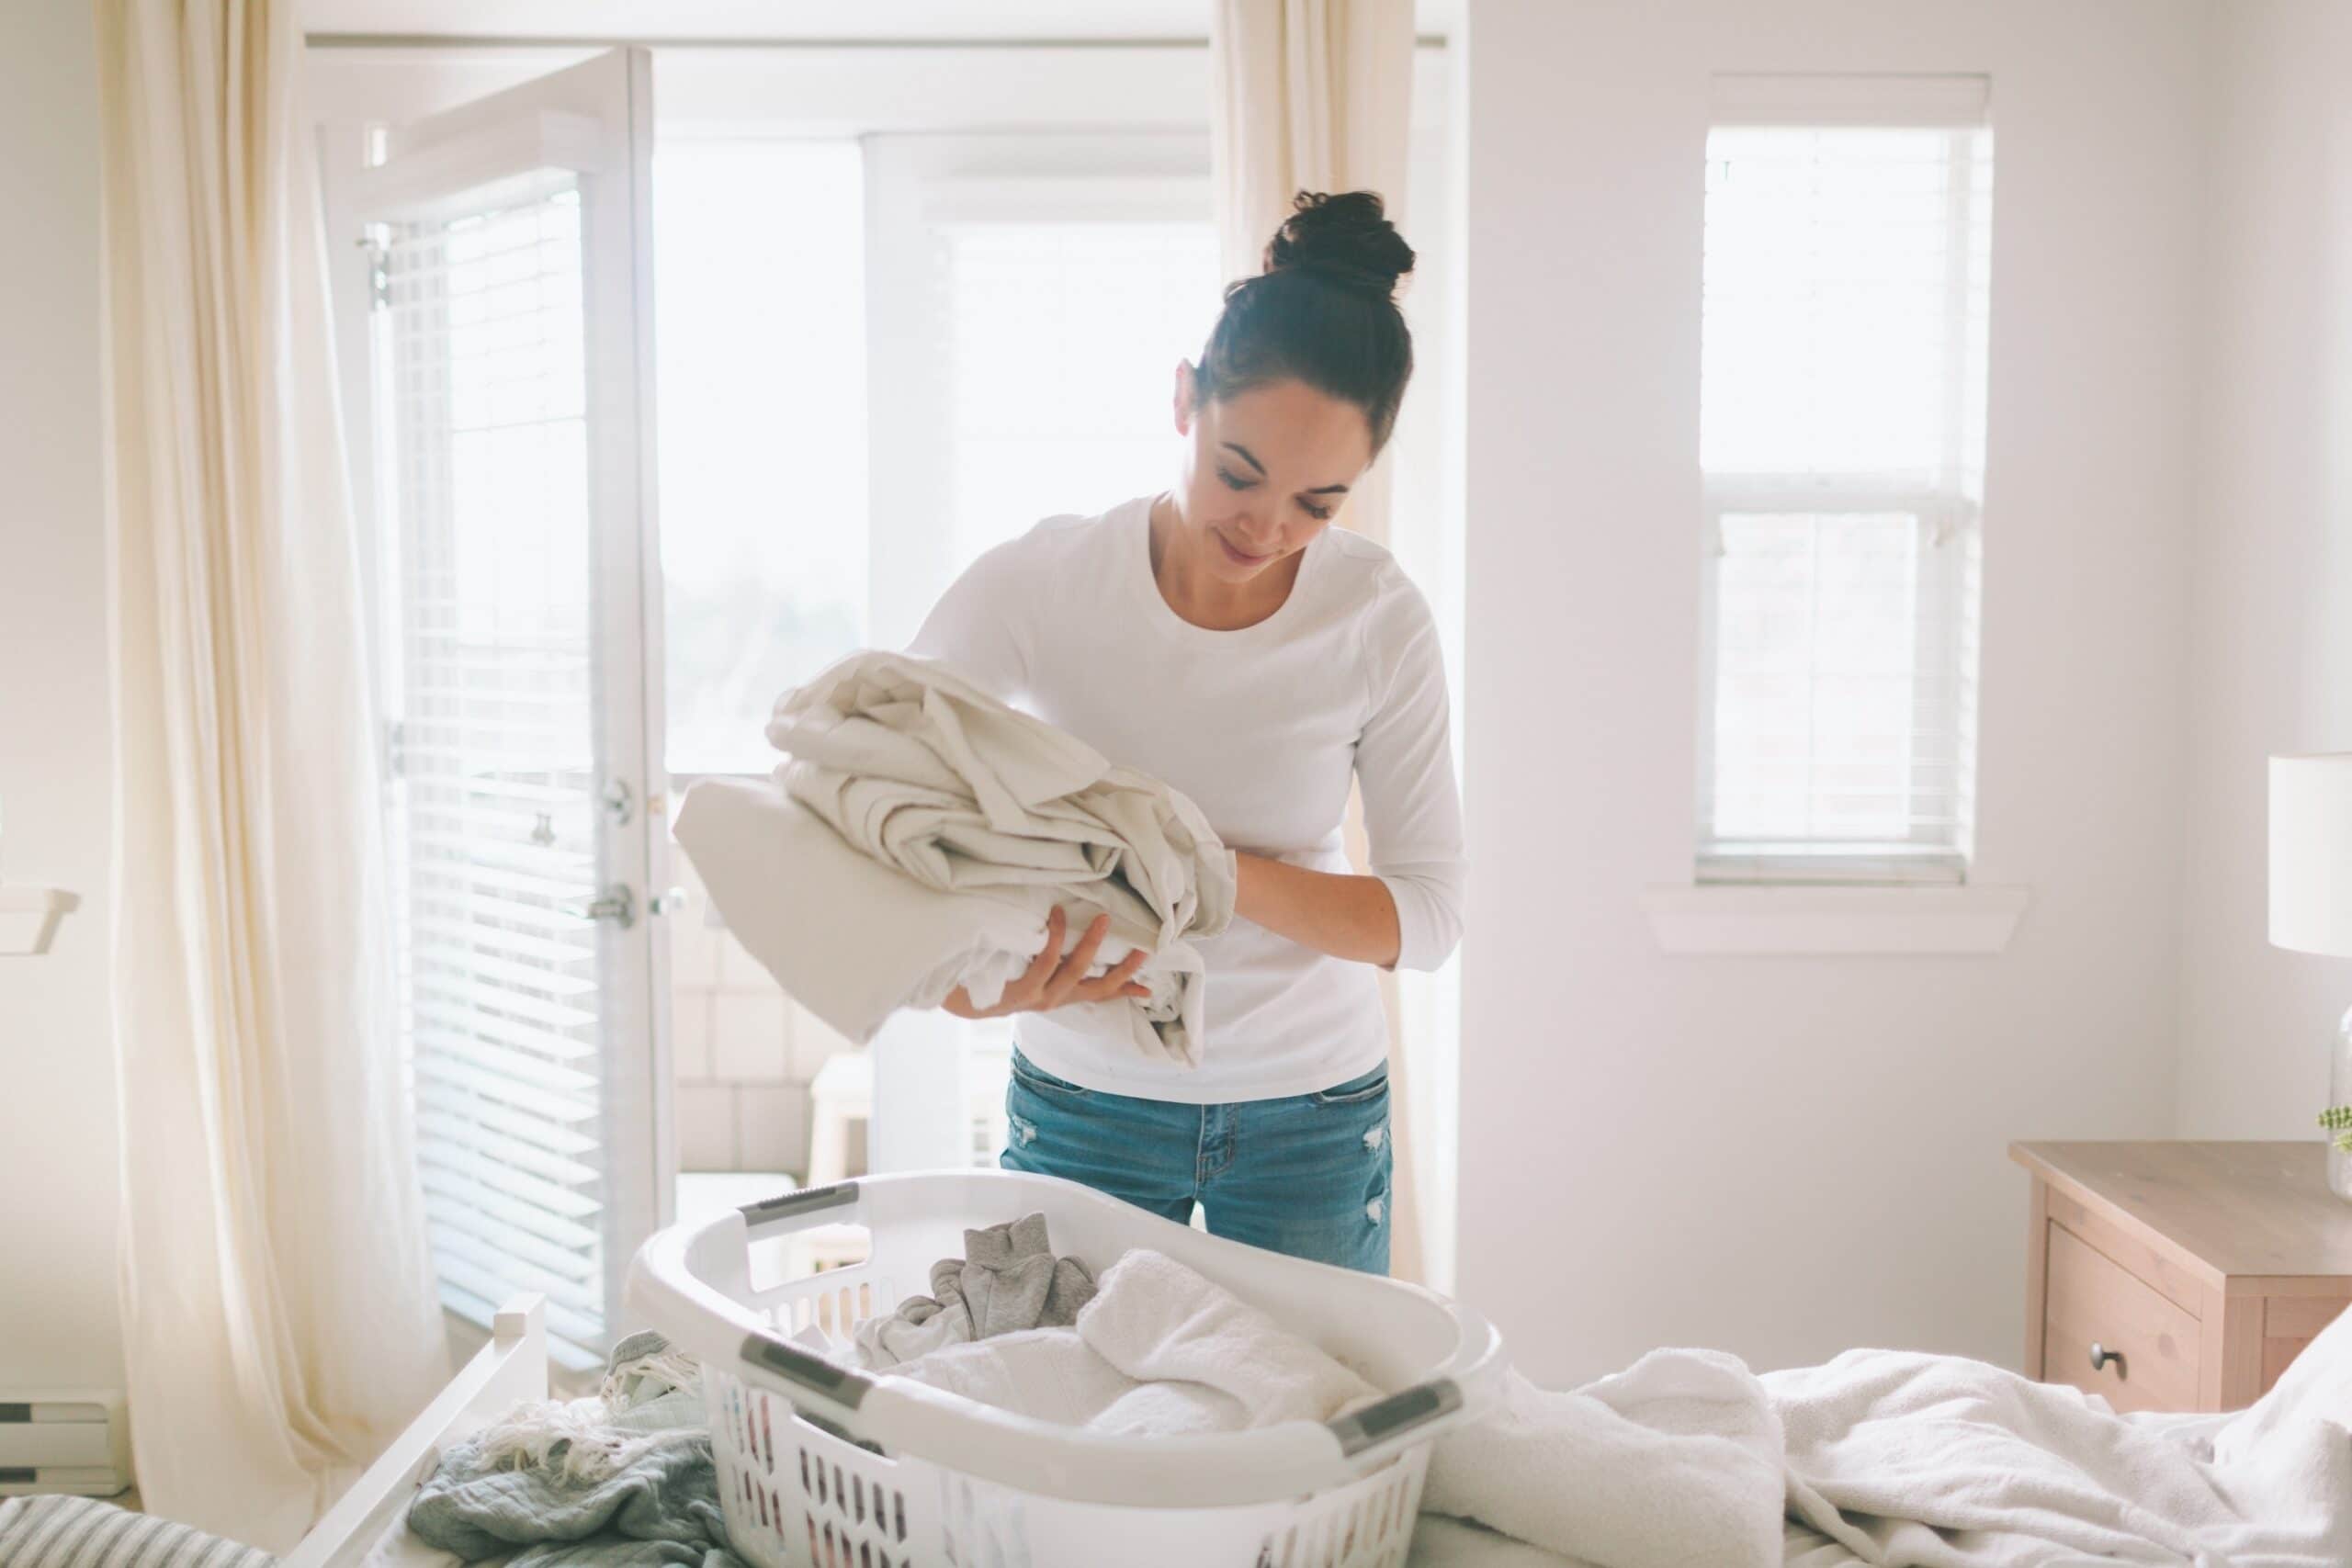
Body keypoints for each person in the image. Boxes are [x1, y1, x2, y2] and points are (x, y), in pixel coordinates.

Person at [909, 190, 1464, 1273]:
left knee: (1315, 1426)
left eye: (1318, 503)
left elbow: (1429, 917)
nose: (1265, 530)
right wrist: (975, 987)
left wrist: (1198, 863)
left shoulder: (1375, 616)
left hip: (1311, 1112)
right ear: (1183, 402)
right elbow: (881, 800)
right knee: (1068, 1426)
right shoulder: (1044, 584)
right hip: (1084, 1104)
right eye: (1238, 474)